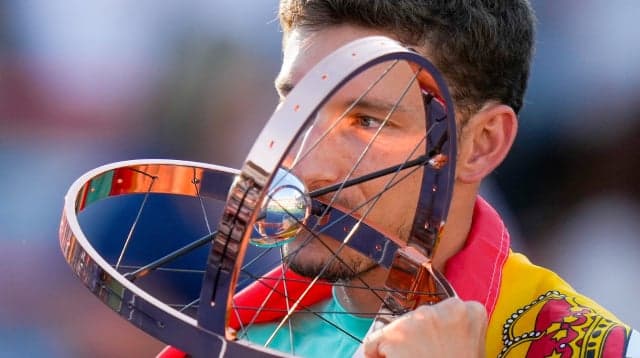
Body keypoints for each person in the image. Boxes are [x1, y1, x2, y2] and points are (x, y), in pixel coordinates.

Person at [160, 0, 639, 357]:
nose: (303, 166)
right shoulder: (236, 338)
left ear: (482, 143)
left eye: (368, 122)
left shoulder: (598, 349)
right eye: (294, 107)